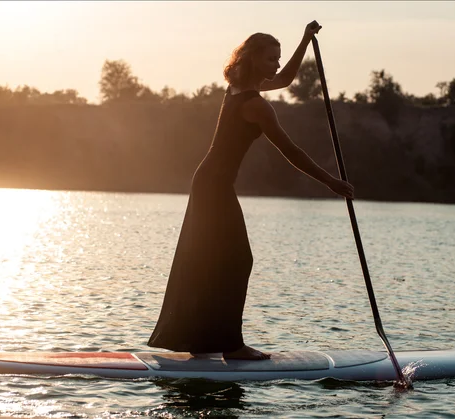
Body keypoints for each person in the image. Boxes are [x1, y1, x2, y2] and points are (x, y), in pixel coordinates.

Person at [148, 21, 355, 360]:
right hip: (214, 186)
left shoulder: (236, 89)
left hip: (210, 182)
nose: (276, 64)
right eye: (271, 58)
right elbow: (291, 151)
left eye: (278, 57)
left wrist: (304, 40)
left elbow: (285, 79)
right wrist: (331, 181)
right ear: (253, 59)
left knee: (212, 260)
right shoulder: (256, 105)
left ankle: (203, 342)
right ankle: (231, 345)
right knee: (237, 259)